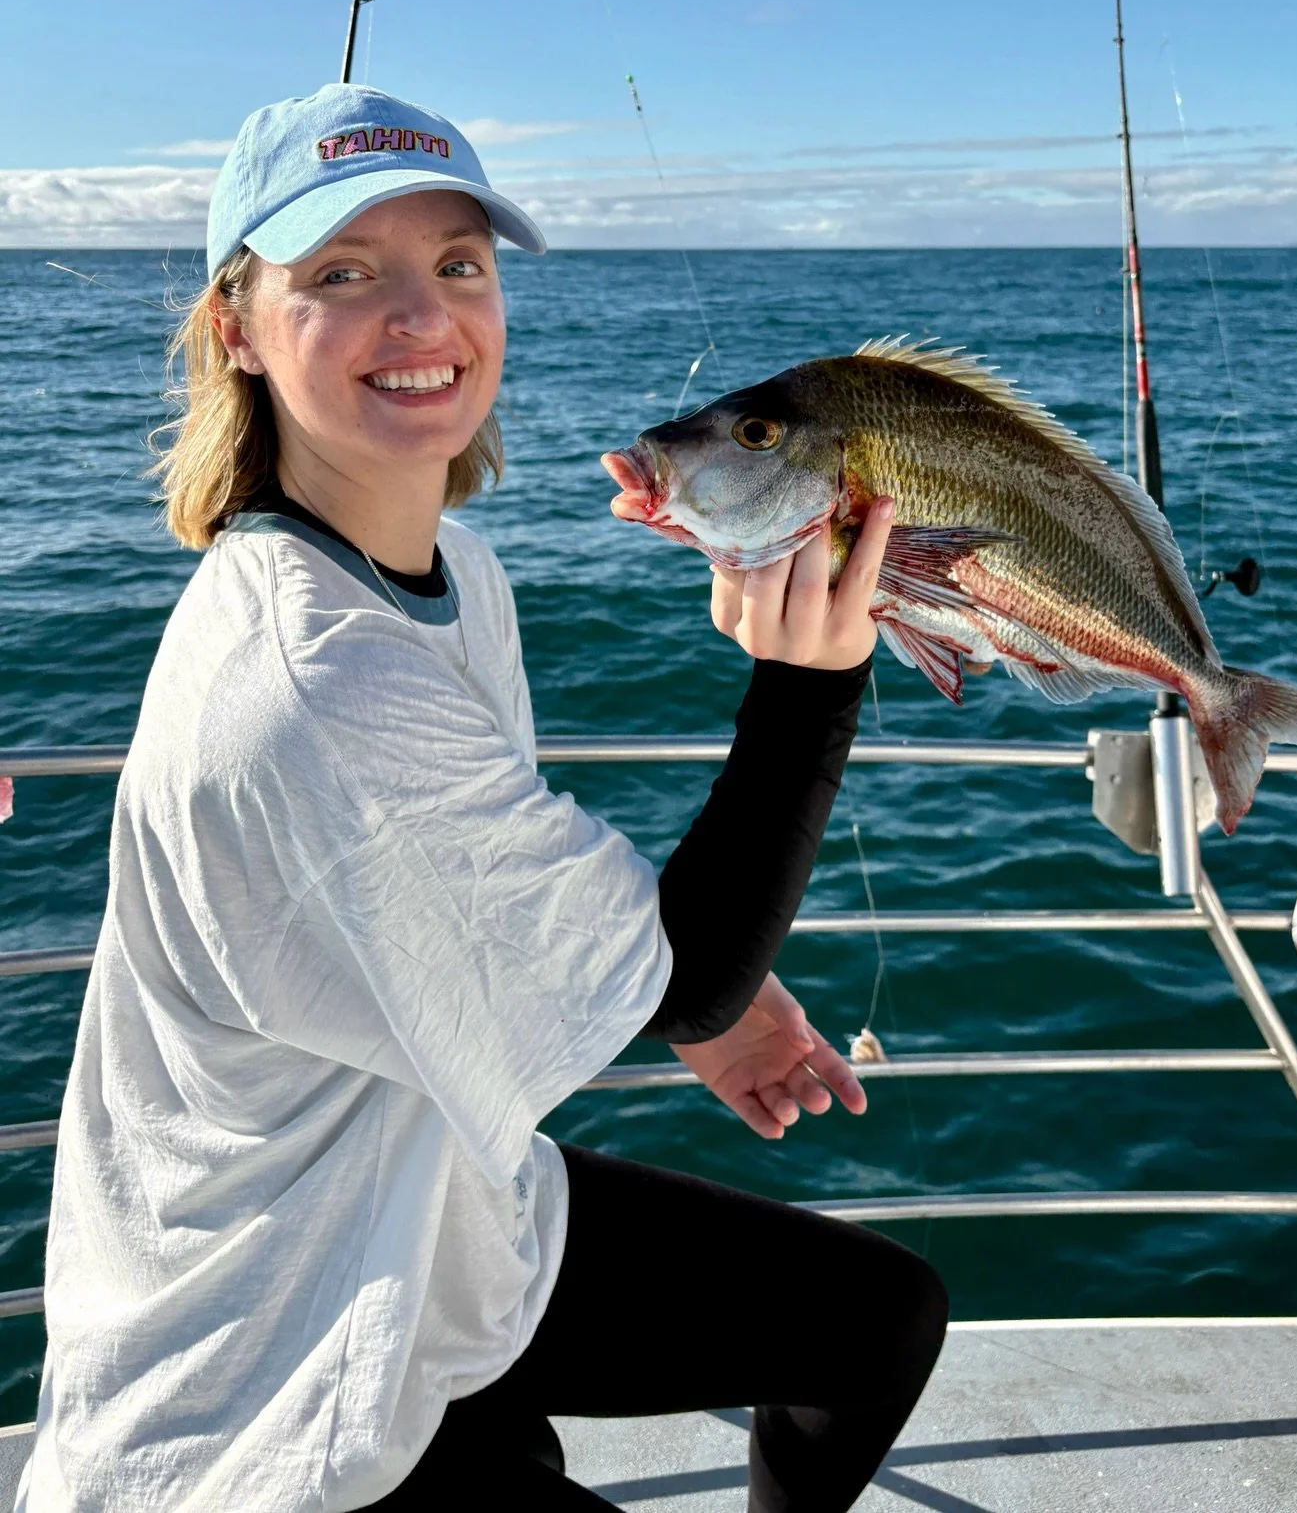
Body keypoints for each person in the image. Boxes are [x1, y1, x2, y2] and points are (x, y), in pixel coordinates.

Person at [18, 83, 947, 1512]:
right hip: (270, 1361)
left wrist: (655, 998)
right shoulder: (308, 673)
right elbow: (693, 967)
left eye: (458, 263)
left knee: (875, 1318)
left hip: (444, 1197)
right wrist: (808, 683)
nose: (423, 315)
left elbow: (468, 897)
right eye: (341, 273)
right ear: (237, 331)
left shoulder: (461, 575)